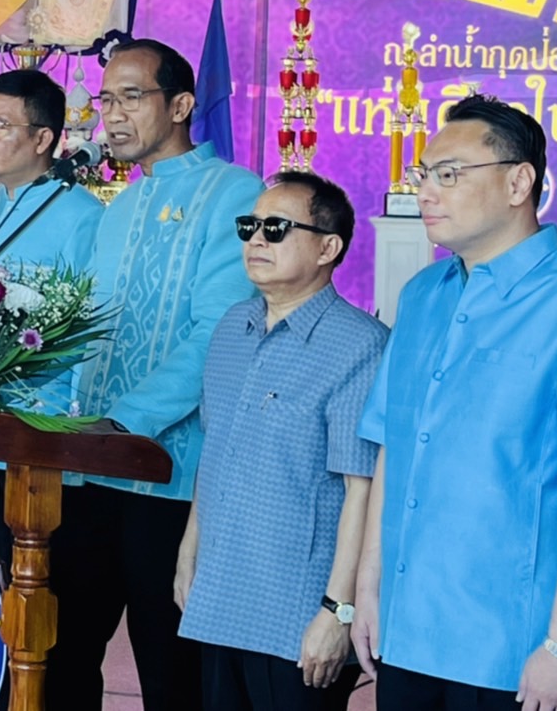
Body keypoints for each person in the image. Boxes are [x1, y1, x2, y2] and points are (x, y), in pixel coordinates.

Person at [353, 95, 557, 711]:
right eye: (423, 174)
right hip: (409, 629)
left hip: (517, 649)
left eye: (449, 174)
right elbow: (394, 446)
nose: (426, 192)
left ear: (519, 182)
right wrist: (368, 588)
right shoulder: (422, 295)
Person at [51, 38, 263, 711]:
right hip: (88, 470)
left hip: (169, 478)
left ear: (180, 105)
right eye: (105, 100)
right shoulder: (120, 206)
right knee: (61, 660)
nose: (111, 115)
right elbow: (87, 332)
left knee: (172, 673)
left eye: (130, 97)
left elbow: (218, 334)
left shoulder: (236, 192)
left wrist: (124, 422)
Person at [174, 172, 384, 711]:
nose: (256, 240)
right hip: (220, 596)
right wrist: (188, 553)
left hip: (297, 612)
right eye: (249, 227)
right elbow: (214, 454)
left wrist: (338, 610)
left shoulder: (360, 345)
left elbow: (362, 492)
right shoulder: (232, 327)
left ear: (328, 248)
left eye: (276, 228)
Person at [0, 69, 104, 564]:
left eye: (0, 126)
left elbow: (88, 327)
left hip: (41, 425)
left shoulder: (81, 214)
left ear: (43, 139)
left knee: (32, 569)